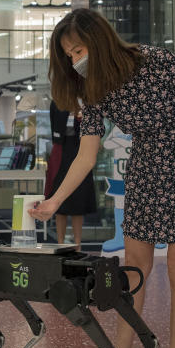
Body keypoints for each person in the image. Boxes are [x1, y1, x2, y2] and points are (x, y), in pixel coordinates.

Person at [31, 9, 175, 348]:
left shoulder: (156, 61)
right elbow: (86, 156)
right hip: (145, 167)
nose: (75, 60)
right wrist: (54, 200)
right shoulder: (93, 89)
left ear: (99, 39)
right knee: (134, 267)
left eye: (78, 50)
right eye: (68, 56)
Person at [46, 101, 96, 250]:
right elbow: (54, 126)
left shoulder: (85, 102)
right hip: (62, 151)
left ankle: (78, 244)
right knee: (59, 201)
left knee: (78, 201)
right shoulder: (57, 102)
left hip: (81, 149)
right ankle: (60, 242)